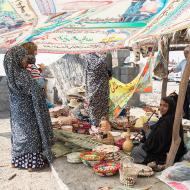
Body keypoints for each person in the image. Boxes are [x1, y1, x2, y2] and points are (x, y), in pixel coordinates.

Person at [3, 46, 54, 171]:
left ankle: (17, 161)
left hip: (17, 111)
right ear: (17, 58)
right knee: (31, 135)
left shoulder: (11, 74)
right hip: (28, 110)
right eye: (23, 57)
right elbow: (34, 90)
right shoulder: (22, 74)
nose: (26, 60)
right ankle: (32, 163)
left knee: (20, 134)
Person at [131, 96, 186, 168]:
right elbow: (155, 129)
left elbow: (156, 143)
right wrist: (147, 129)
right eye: (160, 105)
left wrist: (147, 131)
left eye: (165, 106)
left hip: (165, 153)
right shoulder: (168, 118)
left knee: (136, 151)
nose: (161, 108)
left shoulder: (167, 121)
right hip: (165, 149)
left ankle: (154, 163)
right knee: (140, 145)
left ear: (171, 107)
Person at [84, 53, 109, 126]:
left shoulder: (92, 57)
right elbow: (98, 67)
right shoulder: (91, 57)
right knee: (95, 111)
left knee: (100, 110)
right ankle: (96, 127)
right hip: (96, 90)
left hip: (100, 90)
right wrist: (103, 56)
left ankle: (100, 126)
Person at [169, 47, 190, 119]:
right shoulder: (183, 61)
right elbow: (177, 69)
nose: (185, 54)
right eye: (184, 53)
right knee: (184, 101)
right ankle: (186, 117)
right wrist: (171, 70)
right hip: (183, 83)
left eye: (186, 52)